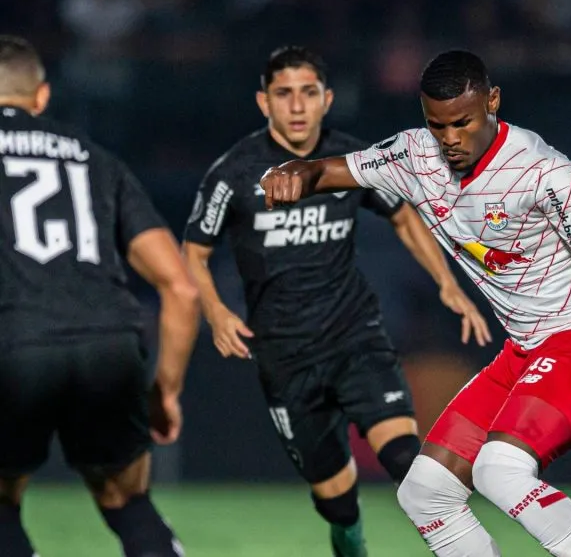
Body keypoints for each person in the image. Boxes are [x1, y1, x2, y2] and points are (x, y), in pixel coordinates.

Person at [259, 49, 571, 557]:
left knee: (498, 470)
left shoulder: (541, 170)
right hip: (522, 350)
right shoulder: (414, 156)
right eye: (438, 126)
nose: (451, 139)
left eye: (463, 122)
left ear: (493, 102)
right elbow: (329, 171)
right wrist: (295, 172)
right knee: (425, 494)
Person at [182, 46, 490, 557]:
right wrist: (215, 312)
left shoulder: (348, 162)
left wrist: (446, 281)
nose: (297, 106)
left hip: (355, 337)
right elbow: (193, 253)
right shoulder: (233, 173)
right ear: (264, 102)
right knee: (338, 502)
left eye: (308, 93)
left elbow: (403, 214)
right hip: (285, 357)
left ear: (327, 99)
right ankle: (350, 542)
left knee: (406, 462)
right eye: (284, 94)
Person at [0, 35, 199, 557]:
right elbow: (179, 286)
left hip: (15, 342)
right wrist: (166, 390)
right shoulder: (95, 159)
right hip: (110, 345)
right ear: (40, 97)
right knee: (127, 502)